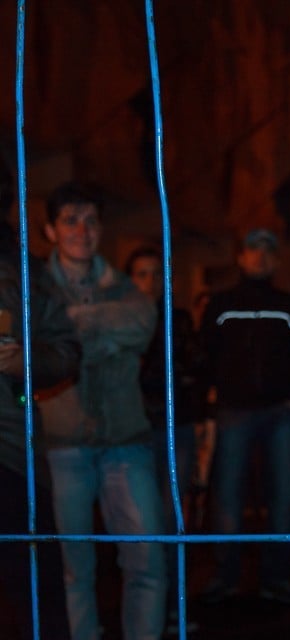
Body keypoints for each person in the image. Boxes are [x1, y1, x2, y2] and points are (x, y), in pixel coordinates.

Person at [39, 181, 166, 640]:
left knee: (148, 558)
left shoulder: (125, 287)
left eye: (91, 220)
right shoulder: (34, 288)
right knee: (75, 569)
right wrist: (104, 339)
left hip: (126, 443)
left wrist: (70, 333)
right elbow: (30, 351)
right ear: (50, 230)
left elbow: (142, 322)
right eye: (70, 220)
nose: (82, 230)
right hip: (63, 447)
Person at [199, 228, 290, 605]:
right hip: (234, 411)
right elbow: (205, 352)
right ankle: (226, 576)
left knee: (280, 497)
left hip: (280, 411)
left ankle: (276, 578)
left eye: (267, 251)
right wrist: (213, 391)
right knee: (228, 495)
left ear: (276, 259)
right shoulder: (221, 303)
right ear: (241, 257)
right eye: (253, 249)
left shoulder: (289, 305)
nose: (260, 257)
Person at [0, 166, 76, 640]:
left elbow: (66, 352)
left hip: (8, 452)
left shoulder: (23, 269)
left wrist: (21, 361)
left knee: (35, 593)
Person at [125, 245, 206, 634]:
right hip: (132, 432)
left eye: (157, 274)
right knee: (140, 524)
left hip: (175, 429)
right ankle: (145, 613)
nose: (150, 282)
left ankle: (174, 607)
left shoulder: (177, 319)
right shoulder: (121, 320)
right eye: (141, 274)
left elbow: (190, 371)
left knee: (172, 517)